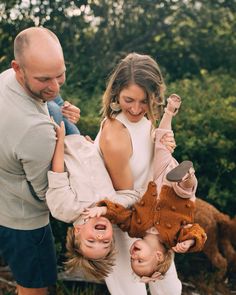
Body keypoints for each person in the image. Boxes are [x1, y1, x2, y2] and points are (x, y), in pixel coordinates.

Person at [84, 94, 207, 282]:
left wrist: (103, 208)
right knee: (184, 188)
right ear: (158, 256)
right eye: (139, 261)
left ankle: (169, 112)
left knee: (161, 145)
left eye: (132, 260)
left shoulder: (135, 229)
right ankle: (188, 174)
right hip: (176, 192)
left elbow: (121, 215)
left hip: (155, 181)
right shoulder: (174, 239)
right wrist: (190, 242)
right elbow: (198, 232)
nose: (133, 256)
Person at [45, 102, 175, 281]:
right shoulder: (111, 204)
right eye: (105, 242)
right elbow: (132, 195)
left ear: (78, 232)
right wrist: (92, 148)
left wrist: (59, 141)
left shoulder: (66, 210)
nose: (99, 236)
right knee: (55, 100)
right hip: (77, 137)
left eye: (91, 241)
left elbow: (57, 174)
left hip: (60, 143)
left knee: (50, 106)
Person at [94, 52, 182, 295]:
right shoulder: (115, 136)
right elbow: (128, 197)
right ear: (116, 94)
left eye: (144, 101)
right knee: (131, 292)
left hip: (151, 215)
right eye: (128, 100)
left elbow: (149, 164)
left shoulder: (144, 122)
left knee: (170, 289)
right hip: (126, 222)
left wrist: (160, 144)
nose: (136, 108)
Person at [0, 27, 80, 295]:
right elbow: (44, 194)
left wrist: (58, 108)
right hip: (23, 222)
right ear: (18, 68)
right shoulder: (34, 130)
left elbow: (52, 98)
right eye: (45, 79)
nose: (56, 86)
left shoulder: (8, 78)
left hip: (5, 193)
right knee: (35, 287)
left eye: (60, 75)